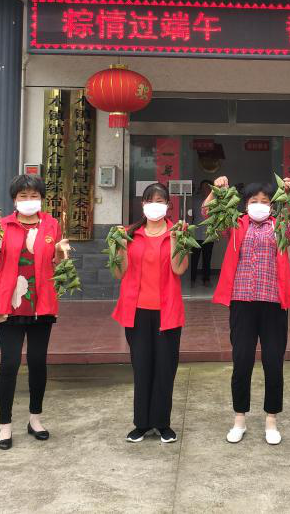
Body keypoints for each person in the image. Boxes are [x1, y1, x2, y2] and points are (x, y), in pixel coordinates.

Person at [207, 175, 290, 446]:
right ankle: (239, 418)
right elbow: (209, 214)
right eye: (254, 201)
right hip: (242, 302)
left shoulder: (280, 226)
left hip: (274, 303)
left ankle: (271, 420)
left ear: (272, 205)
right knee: (241, 361)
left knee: (273, 362)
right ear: (245, 204)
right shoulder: (236, 223)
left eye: (265, 201)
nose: (260, 205)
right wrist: (217, 190)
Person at [0, 174, 69, 450]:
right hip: (10, 303)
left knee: (38, 362)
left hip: (42, 302)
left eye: (34, 196)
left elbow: (58, 262)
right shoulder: (2, 225)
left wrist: (61, 253)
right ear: (14, 200)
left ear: (41, 199)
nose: (29, 200)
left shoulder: (52, 224)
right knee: (9, 363)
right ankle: (5, 425)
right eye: (23, 196)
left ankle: (35, 419)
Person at [112, 182, 188, 444]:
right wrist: (120, 247)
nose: (155, 205)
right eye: (150, 200)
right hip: (137, 312)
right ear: (142, 204)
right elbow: (118, 273)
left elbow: (179, 269)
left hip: (167, 311)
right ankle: (142, 424)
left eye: (160, 200)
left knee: (165, 368)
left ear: (168, 205)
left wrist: (176, 239)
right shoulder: (129, 234)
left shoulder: (177, 232)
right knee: (142, 367)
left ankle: (162, 423)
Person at [190, 179, 215, 287]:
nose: (205, 189)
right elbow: (190, 216)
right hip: (196, 234)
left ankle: (206, 279)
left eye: (207, 187)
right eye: (203, 187)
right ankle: (192, 279)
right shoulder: (194, 200)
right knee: (194, 259)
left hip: (209, 235)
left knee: (207, 259)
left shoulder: (215, 201)